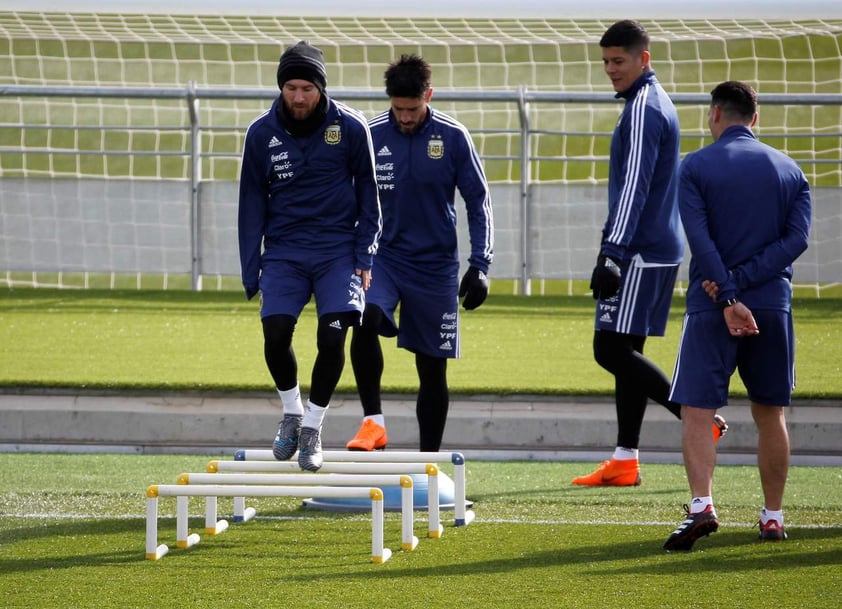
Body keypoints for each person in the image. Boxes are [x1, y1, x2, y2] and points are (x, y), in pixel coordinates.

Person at [572, 19, 728, 488]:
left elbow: (635, 187)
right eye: (605, 62)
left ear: (644, 58)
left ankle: (697, 417)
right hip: (654, 245)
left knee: (610, 349)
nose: (610, 70)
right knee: (628, 348)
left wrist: (612, 254)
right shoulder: (653, 102)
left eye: (618, 61)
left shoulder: (643, 108)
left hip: (639, 249)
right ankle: (625, 459)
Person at [663, 81, 811, 551]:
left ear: (714, 115)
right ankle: (772, 516)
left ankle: (703, 505)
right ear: (755, 117)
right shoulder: (791, 170)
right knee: (771, 412)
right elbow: (797, 240)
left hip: (712, 303)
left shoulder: (697, 166)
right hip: (772, 303)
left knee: (698, 409)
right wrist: (748, 283)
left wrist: (728, 293)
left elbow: (698, 237)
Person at [238, 40, 382, 471]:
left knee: (333, 334)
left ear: (321, 88)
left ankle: (313, 427)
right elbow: (250, 204)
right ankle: (293, 412)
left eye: (307, 88)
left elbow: (370, 195)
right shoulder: (261, 133)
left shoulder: (352, 127)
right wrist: (252, 269)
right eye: (291, 88)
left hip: (338, 252)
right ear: (281, 88)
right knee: (276, 334)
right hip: (283, 253)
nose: (299, 97)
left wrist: (366, 256)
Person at [346, 54, 493, 452]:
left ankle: (429, 463)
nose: (405, 117)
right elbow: (347, 195)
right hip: (384, 258)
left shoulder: (453, 136)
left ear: (428, 95)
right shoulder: (371, 134)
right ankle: (373, 423)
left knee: (431, 368)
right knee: (363, 317)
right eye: (398, 108)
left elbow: (478, 201)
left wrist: (480, 264)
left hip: (435, 266)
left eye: (412, 108)